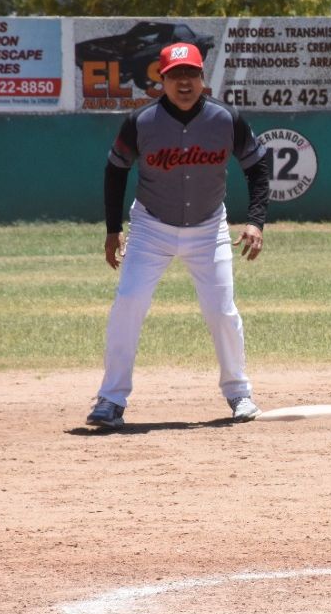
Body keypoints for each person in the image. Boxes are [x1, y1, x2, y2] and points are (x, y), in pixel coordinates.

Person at [86, 42, 270, 429]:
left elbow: (257, 168)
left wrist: (255, 221)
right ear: (162, 80)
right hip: (151, 227)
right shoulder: (141, 122)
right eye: (175, 75)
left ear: (203, 79)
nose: (184, 82)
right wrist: (113, 229)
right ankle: (111, 399)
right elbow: (115, 171)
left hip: (208, 228)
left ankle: (239, 393)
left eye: (191, 74)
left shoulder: (226, 119)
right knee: (129, 302)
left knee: (221, 310)